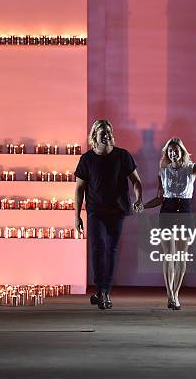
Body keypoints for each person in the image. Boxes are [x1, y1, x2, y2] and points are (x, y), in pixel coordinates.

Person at [74, 119, 144, 310]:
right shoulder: (87, 159)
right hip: (95, 210)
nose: (106, 135)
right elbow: (79, 189)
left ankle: (104, 292)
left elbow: (136, 182)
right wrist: (76, 215)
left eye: (109, 131)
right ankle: (101, 289)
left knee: (111, 249)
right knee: (98, 248)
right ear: (94, 135)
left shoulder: (123, 156)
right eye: (102, 132)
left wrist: (138, 199)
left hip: (118, 209)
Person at [144, 138, 196, 310]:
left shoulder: (192, 168)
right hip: (167, 210)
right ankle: (170, 295)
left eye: (175, 150)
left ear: (182, 151)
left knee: (181, 255)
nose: (172, 153)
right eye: (169, 151)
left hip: (185, 212)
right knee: (169, 255)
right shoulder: (163, 171)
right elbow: (160, 197)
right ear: (167, 153)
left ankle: (176, 294)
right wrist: (143, 205)